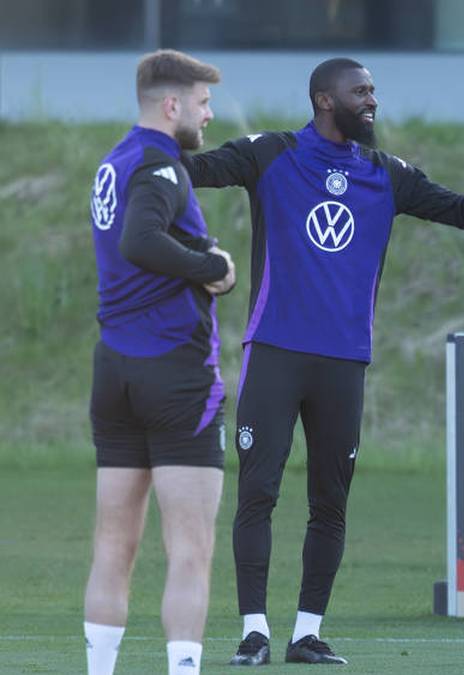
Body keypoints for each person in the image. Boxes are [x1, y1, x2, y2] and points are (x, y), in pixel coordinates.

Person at [180, 57, 464, 666]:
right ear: (325, 98)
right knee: (258, 493)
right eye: (360, 91)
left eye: (373, 90)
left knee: (331, 500)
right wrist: (165, 131)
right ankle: (255, 632)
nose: (372, 100)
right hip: (275, 354)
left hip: (344, 363)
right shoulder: (271, 154)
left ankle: (306, 634)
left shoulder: (386, 174)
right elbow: (189, 171)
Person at [84, 49, 235, 675]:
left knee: (113, 547)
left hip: (114, 371)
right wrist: (213, 268)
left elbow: (134, 239)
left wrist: (196, 247)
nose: (209, 114)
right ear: (171, 106)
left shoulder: (114, 162)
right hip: (175, 375)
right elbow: (140, 240)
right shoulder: (163, 165)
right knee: (190, 552)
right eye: (202, 103)